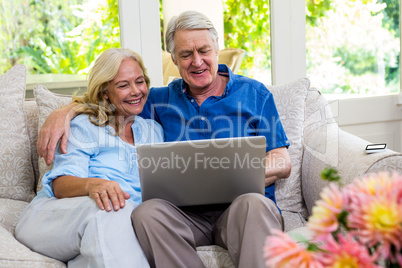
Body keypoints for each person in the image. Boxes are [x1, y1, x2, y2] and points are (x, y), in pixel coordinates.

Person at [37, 11, 291, 268]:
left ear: (216, 50)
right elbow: (110, 98)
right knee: (148, 212)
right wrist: (63, 112)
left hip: (242, 211)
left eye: (204, 50)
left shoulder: (255, 94)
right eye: (186, 54)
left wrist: (227, 172)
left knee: (253, 204)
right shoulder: (159, 99)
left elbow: (282, 162)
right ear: (174, 59)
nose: (197, 61)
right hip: (185, 217)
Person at [15, 48, 163, 267]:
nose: (136, 91)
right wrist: (95, 184)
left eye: (140, 82)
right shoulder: (85, 126)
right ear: (105, 92)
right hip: (56, 218)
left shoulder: (153, 131)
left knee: (103, 238)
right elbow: (60, 185)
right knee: (113, 207)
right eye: (123, 85)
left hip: (110, 229)